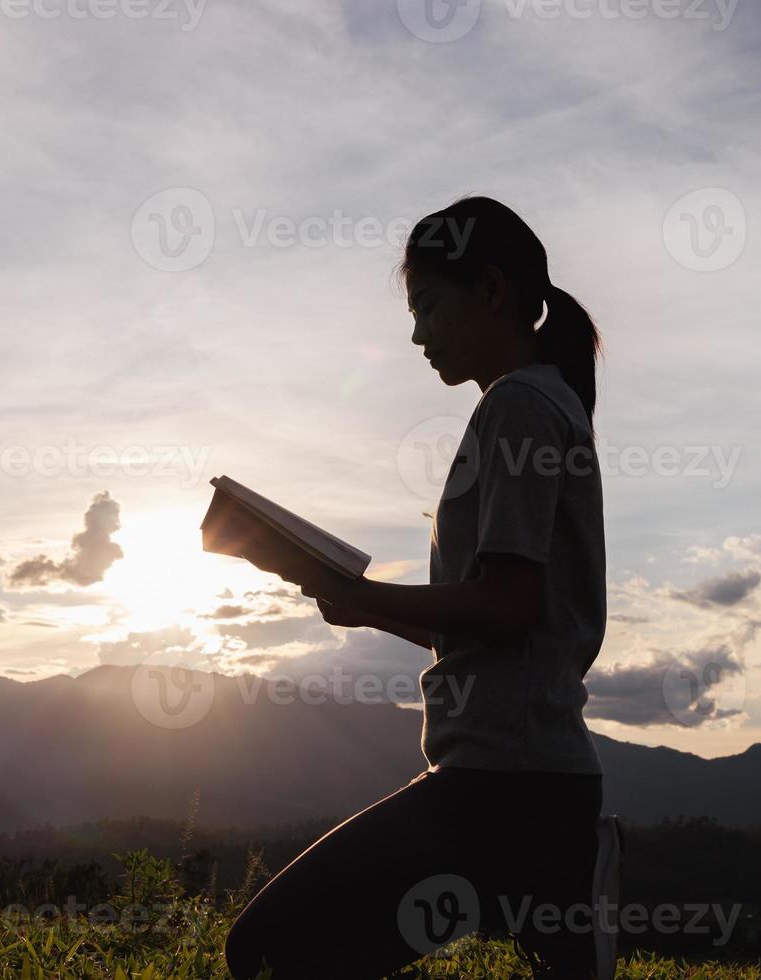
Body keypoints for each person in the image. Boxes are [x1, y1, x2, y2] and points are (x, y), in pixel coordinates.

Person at [222, 196, 609, 979]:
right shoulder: (538, 404)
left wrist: (362, 596)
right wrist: (360, 605)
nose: (416, 334)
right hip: (532, 781)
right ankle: (561, 887)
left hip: (502, 786)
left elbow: (506, 608)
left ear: (492, 292)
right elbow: (499, 621)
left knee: (266, 952)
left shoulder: (519, 408)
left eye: (429, 306)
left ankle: (557, 886)